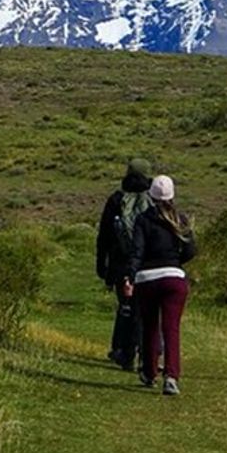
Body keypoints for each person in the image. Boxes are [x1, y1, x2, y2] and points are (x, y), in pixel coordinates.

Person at [123, 174, 196, 396]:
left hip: (148, 279)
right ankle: (171, 376)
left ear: (151, 195)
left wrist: (130, 275)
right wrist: (175, 264)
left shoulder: (143, 220)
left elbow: (137, 252)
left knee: (150, 326)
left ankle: (149, 371)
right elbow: (191, 250)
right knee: (171, 329)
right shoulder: (180, 219)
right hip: (174, 277)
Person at [95, 158, 154, 370]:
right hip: (148, 262)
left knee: (127, 307)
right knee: (145, 311)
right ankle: (143, 352)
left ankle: (125, 352)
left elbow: (104, 236)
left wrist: (102, 265)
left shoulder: (116, 199)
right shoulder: (153, 199)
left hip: (121, 262)